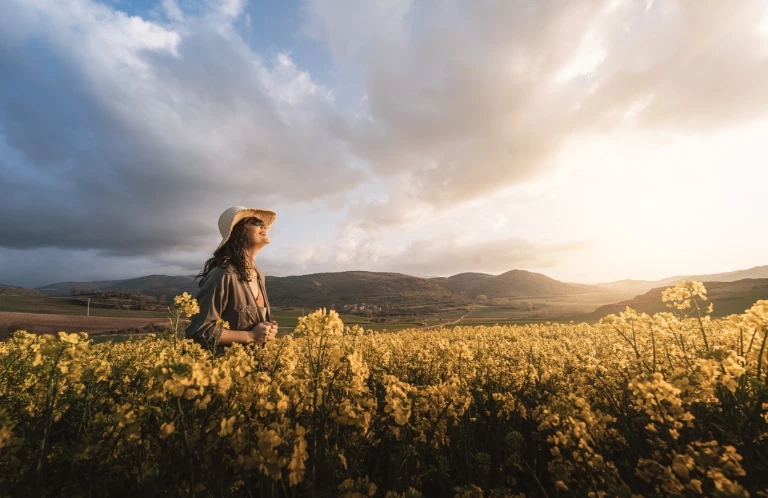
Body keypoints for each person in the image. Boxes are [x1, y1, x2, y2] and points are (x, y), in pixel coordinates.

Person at [186, 205, 278, 352]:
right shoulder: (223, 274)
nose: (264, 226)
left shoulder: (259, 275)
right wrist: (250, 336)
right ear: (240, 230)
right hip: (224, 370)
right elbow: (199, 331)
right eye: (256, 222)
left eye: (264, 223)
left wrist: (266, 332)